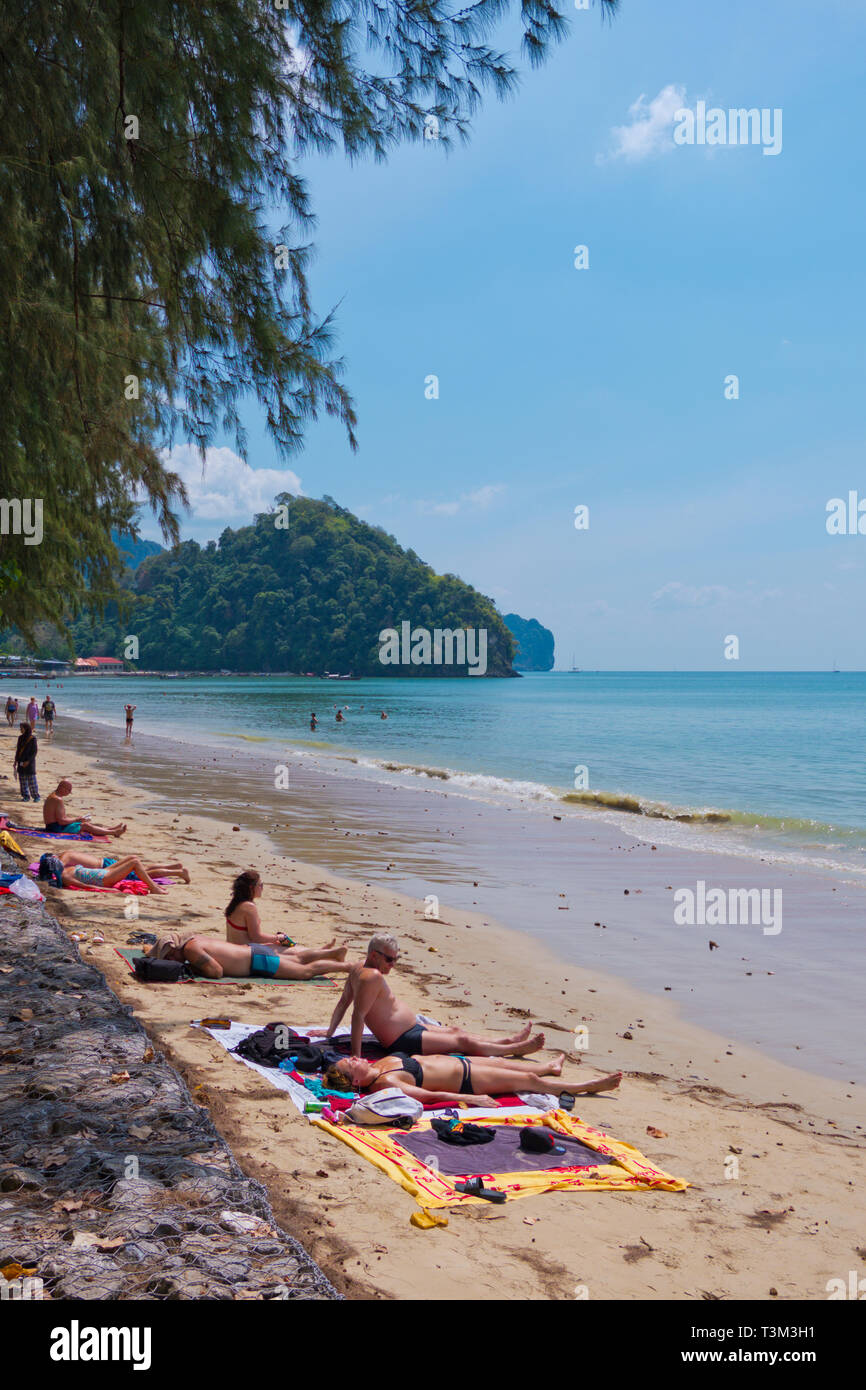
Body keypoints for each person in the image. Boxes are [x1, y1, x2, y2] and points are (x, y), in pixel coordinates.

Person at [310, 933, 545, 1059]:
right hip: (402, 1040)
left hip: (411, 1029)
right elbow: (357, 1015)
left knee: (456, 1031)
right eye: (390, 959)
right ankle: (514, 1050)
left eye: (396, 959)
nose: (393, 965)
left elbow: (343, 1003)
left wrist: (330, 1032)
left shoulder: (357, 967)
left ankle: (508, 1041)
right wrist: (356, 1055)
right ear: (374, 955)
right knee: (462, 1043)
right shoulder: (371, 976)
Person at [325, 1053, 622, 1109]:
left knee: (504, 1063)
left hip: (460, 1062)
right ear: (355, 1084)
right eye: (351, 1063)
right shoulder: (385, 1085)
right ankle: (590, 1085)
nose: (354, 1057)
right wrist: (472, 1099)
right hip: (468, 1080)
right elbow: (427, 1096)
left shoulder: (377, 1067)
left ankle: (550, 1067)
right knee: (530, 1081)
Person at [223, 869, 348, 964]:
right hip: (244, 952)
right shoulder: (249, 907)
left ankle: (322, 952)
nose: (262, 888)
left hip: (236, 948)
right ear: (252, 888)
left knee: (286, 947)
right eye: (261, 885)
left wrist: (277, 939)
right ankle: (328, 954)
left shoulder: (237, 903)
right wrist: (279, 937)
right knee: (289, 950)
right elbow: (256, 937)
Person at [150, 933, 354, 982]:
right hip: (253, 951)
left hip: (256, 961)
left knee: (305, 972)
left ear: (174, 949)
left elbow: (216, 972)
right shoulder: (194, 940)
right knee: (299, 959)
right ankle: (333, 953)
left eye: (169, 957)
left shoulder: (190, 951)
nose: (172, 962)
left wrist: (192, 970)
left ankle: (348, 967)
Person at [56, 847, 190, 883]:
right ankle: (173, 866)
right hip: (105, 862)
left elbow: (58, 869)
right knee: (145, 868)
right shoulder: (67, 853)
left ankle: (178, 873)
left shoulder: (63, 859)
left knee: (143, 874)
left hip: (105, 868)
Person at [43, 780, 127, 837]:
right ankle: (114, 832)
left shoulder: (53, 796)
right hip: (55, 828)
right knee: (85, 825)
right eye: (69, 791)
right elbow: (61, 821)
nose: (69, 793)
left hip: (52, 826)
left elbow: (61, 819)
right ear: (62, 788)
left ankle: (109, 829)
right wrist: (76, 819)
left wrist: (76, 820)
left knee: (86, 824)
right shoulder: (58, 799)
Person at [60, 854, 169, 895]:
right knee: (135, 863)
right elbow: (84, 886)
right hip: (104, 879)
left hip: (103, 872)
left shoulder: (66, 869)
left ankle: (154, 885)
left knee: (132, 857)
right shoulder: (64, 876)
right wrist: (108, 890)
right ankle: (153, 887)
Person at [13, 722, 39, 802]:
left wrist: (28, 761)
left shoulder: (33, 739)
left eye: (22, 728)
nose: (20, 730)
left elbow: (34, 752)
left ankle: (36, 796)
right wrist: (16, 760)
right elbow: (18, 750)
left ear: (26, 729)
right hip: (21, 761)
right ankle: (25, 796)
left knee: (32, 781)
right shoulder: (20, 738)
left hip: (30, 763)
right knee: (23, 781)